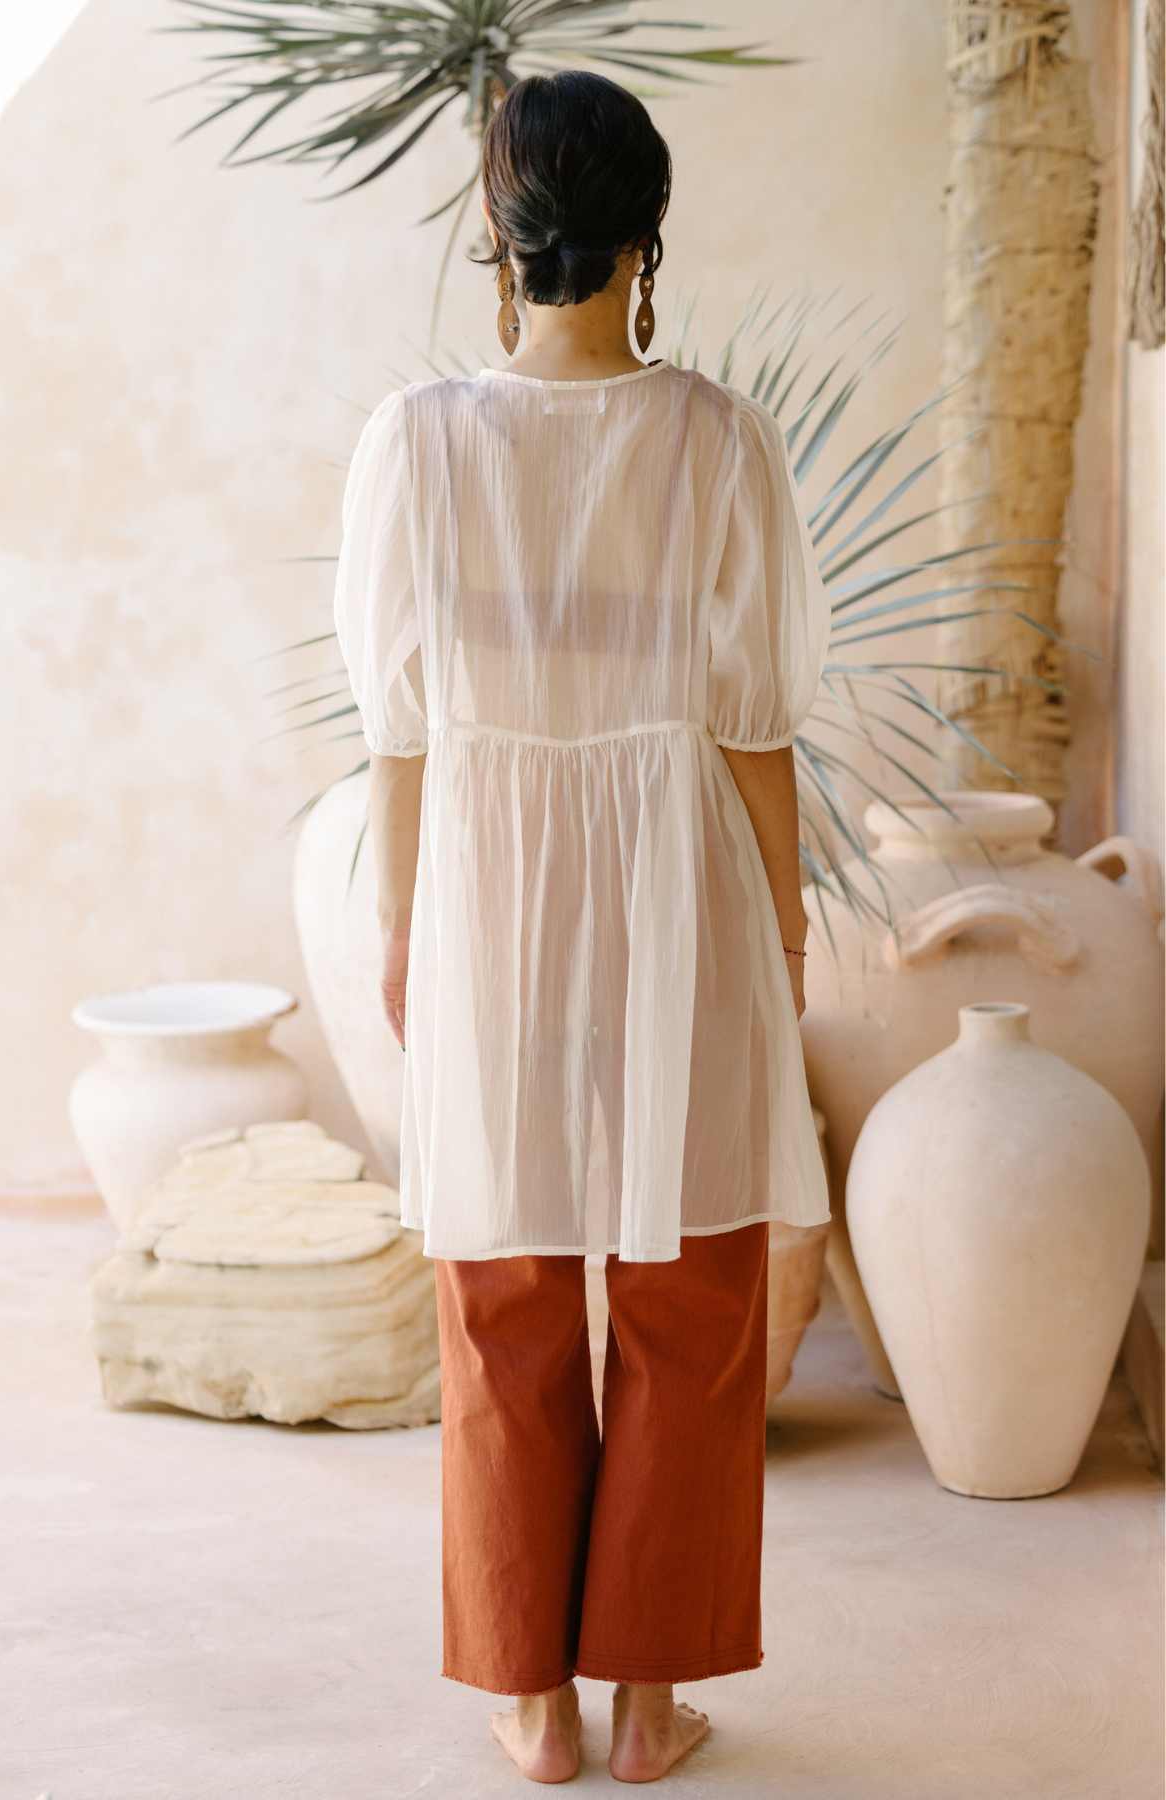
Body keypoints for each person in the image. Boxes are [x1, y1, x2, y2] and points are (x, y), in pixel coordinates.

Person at [333, 69, 832, 1787]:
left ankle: (529, 1703)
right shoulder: (716, 439)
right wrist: (776, 933)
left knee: (505, 1289)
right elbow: (758, 725)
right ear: (648, 234)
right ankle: (646, 1703)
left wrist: (407, 930)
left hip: (487, 888)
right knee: (694, 1297)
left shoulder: (417, 441)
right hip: (677, 881)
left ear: (501, 230)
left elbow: (399, 733)